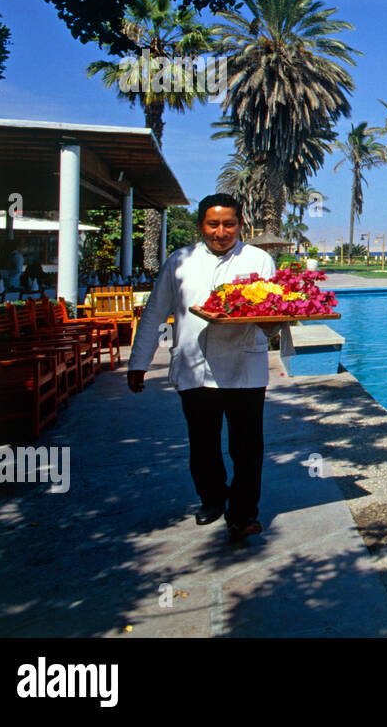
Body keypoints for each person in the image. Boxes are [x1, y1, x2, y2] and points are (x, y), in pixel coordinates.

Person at [126, 193, 282, 543]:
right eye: (213, 224)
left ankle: (243, 515)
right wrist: (139, 362)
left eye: (229, 224)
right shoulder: (179, 261)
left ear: (241, 225)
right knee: (203, 444)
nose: (221, 232)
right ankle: (212, 499)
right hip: (194, 367)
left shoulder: (258, 260)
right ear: (201, 226)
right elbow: (154, 313)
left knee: (247, 448)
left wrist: (276, 322)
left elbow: (271, 318)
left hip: (245, 368)